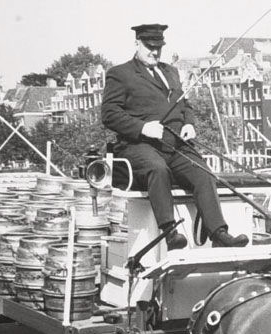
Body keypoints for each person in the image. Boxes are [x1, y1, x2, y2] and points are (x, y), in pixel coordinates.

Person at [101, 23, 248, 249]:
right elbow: (109, 114)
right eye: (149, 47)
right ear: (137, 43)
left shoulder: (171, 72)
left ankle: (218, 233)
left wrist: (189, 123)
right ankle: (169, 233)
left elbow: (184, 104)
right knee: (157, 169)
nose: (154, 52)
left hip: (175, 145)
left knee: (203, 172)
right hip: (139, 146)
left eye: (158, 47)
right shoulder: (120, 74)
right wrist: (143, 127)